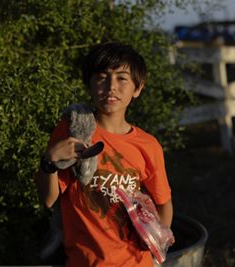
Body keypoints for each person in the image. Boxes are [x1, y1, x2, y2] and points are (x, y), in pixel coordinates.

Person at [37, 42, 173, 267]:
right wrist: (49, 160)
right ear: (89, 84)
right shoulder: (73, 131)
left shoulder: (148, 145)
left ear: (137, 88)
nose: (111, 87)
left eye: (122, 78)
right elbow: (48, 199)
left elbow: (164, 204)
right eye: (101, 77)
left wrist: (156, 247)